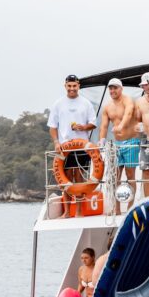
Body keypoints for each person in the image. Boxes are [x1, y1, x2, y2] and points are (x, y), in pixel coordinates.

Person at [48, 74, 97, 217]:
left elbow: (93, 123)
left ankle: (80, 211)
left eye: (74, 86)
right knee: (66, 179)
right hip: (64, 147)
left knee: (80, 178)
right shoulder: (58, 104)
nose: (72, 89)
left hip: (81, 146)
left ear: (78, 86)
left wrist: (83, 127)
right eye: (69, 86)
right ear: (65, 86)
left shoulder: (86, 103)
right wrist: (56, 142)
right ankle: (68, 212)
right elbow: (52, 126)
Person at [99, 78, 141, 212]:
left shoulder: (128, 100)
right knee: (115, 176)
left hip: (131, 141)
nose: (112, 91)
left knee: (130, 175)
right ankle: (116, 208)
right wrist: (102, 140)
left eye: (115, 88)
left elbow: (129, 113)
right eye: (110, 88)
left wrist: (121, 126)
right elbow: (104, 126)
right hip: (116, 144)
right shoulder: (107, 107)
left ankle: (130, 206)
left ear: (121, 89)